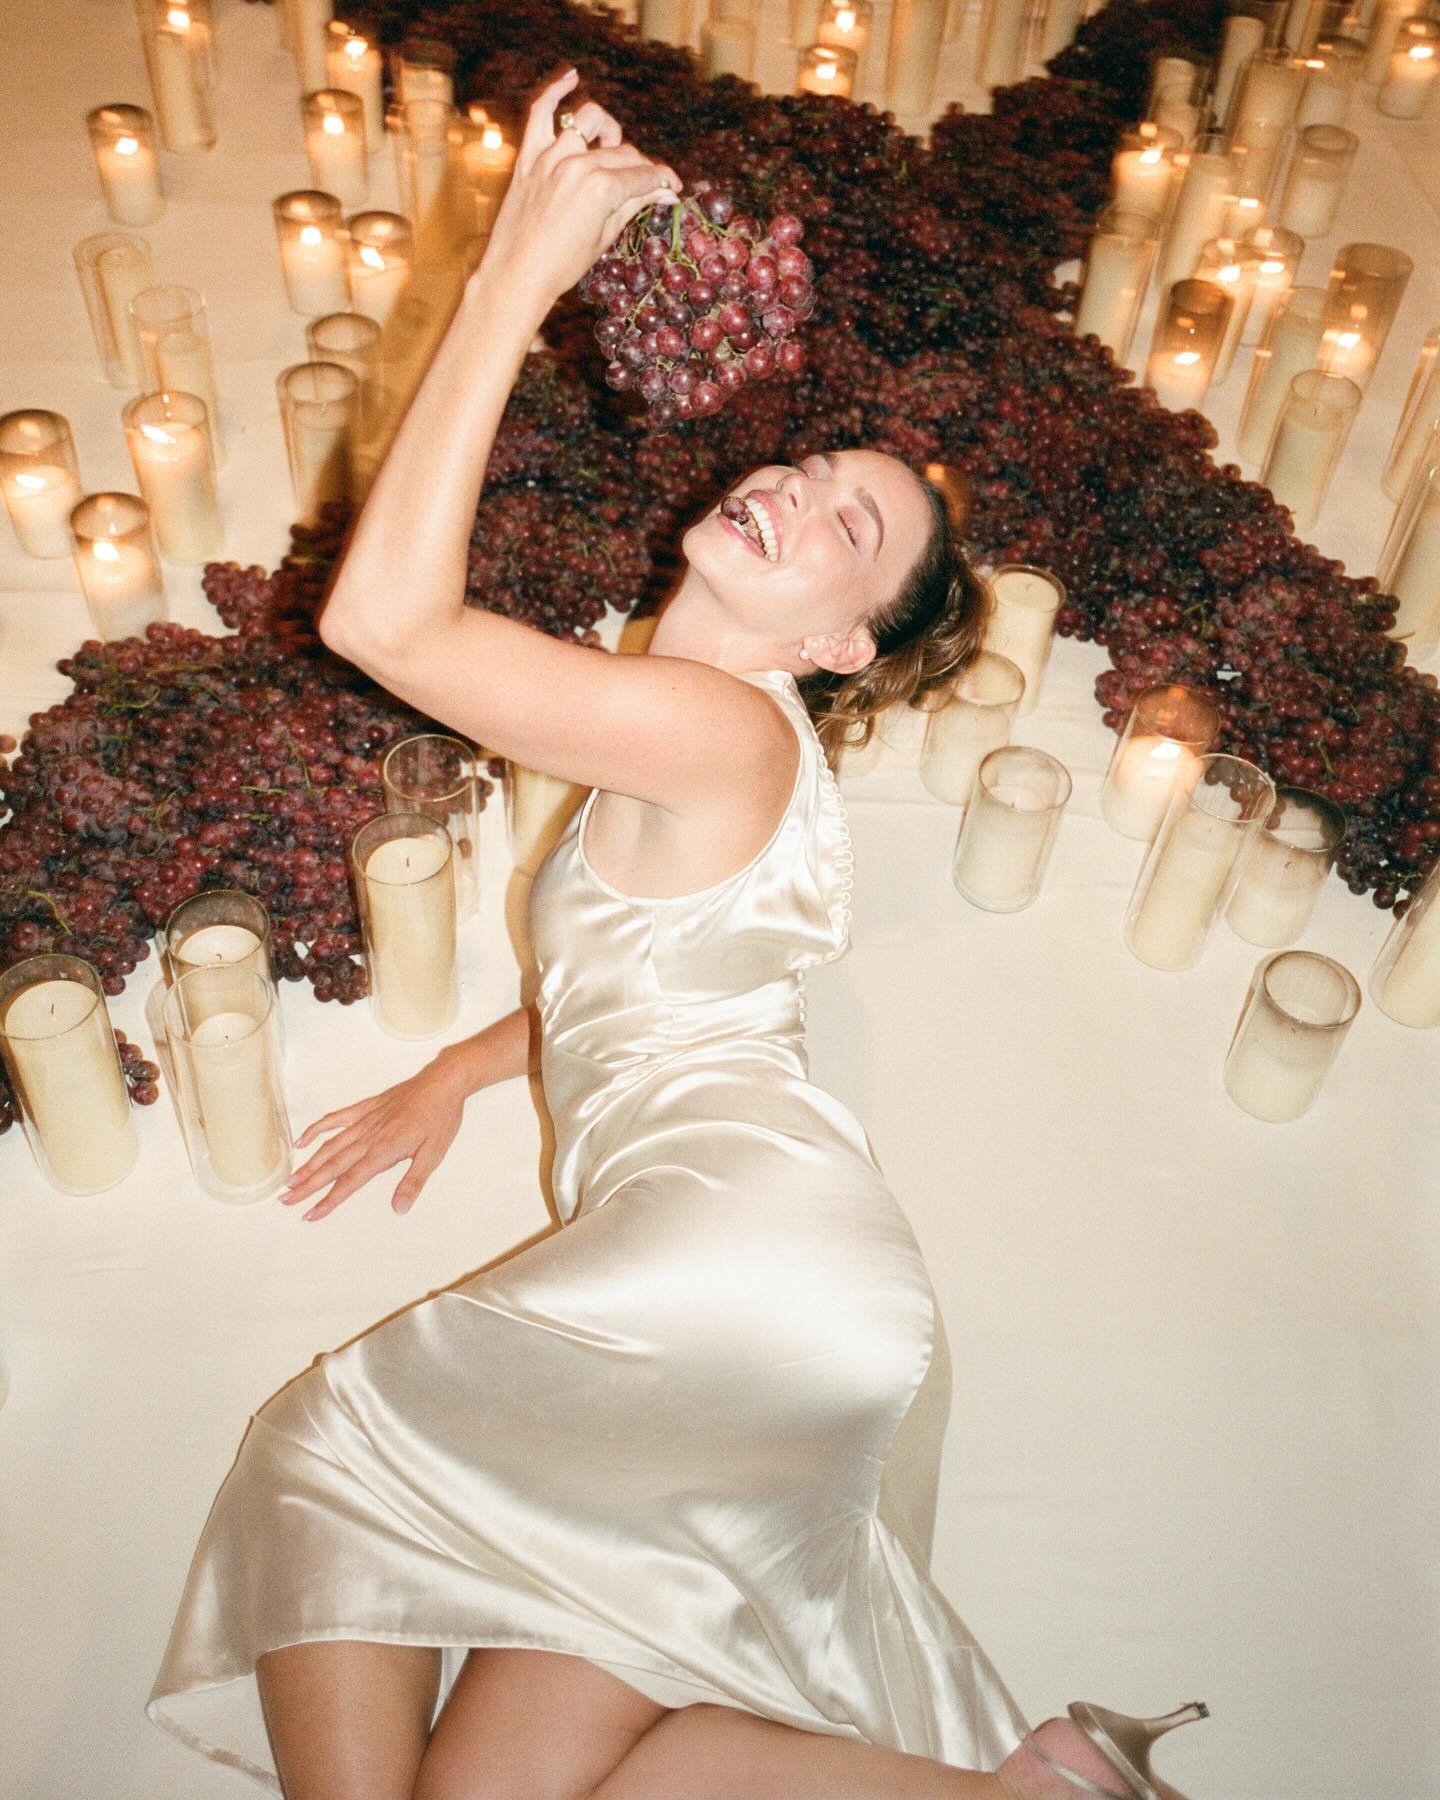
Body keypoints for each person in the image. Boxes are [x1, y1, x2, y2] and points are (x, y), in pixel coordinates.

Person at [146, 69, 1210, 1800]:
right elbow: (659, 995)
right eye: (806, 464)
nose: (798, 489)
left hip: (734, 1267)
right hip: (781, 1283)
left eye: (848, 525)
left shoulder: (715, 729)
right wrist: (467, 1071)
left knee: (330, 1454)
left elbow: (382, 617)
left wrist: (513, 279)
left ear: (852, 643)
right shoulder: (706, 741)